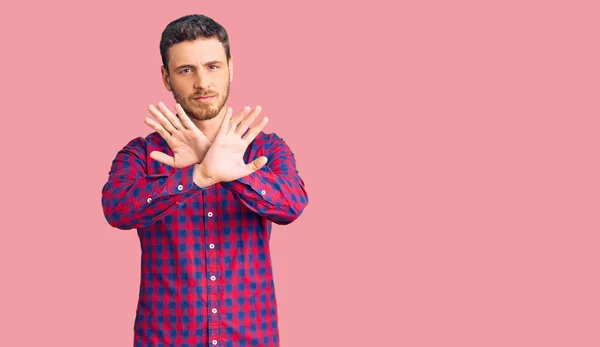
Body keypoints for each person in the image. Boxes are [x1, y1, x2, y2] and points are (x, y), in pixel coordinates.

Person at [101, 14, 308, 347]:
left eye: (213, 66)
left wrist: (230, 174)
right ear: (166, 78)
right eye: (186, 70)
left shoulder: (266, 148)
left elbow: (291, 206)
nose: (202, 83)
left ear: (231, 68)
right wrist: (198, 176)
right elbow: (117, 211)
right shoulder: (140, 154)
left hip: (249, 339)